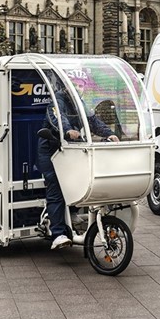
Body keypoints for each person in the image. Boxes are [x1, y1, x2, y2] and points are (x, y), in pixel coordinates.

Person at [38, 82, 118, 250]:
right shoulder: (57, 100)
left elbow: (92, 121)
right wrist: (67, 130)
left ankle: (73, 213)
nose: (79, 88)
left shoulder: (79, 103)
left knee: (78, 180)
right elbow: (57, 118)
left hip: (69, 149)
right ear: (66, 86)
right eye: (76, 85)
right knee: (57, 188)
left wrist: (109, 134)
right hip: (51, 150)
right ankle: (58, 234)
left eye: (81, 85)